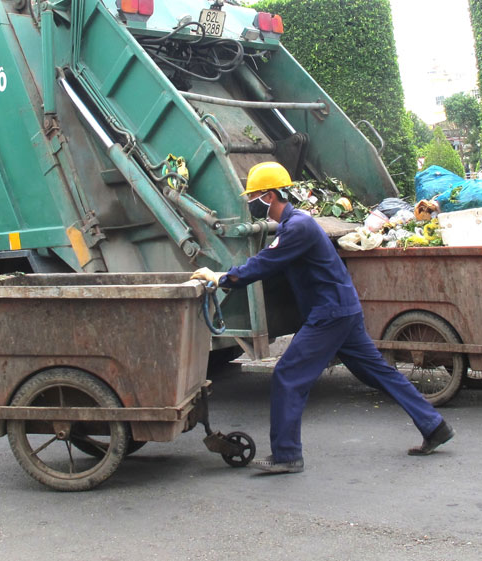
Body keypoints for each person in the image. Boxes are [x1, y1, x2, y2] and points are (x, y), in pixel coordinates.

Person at [191, 162, 454, 474]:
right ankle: (434, 425)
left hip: (330, 313)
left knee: (288, 375)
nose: (251, 203)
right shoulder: (296, 223)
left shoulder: (296, 227)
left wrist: (220, 277)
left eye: (255, 197)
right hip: (342, 308)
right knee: (378, 373)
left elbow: (262, 264)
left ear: (271, 196)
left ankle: (287, 455)